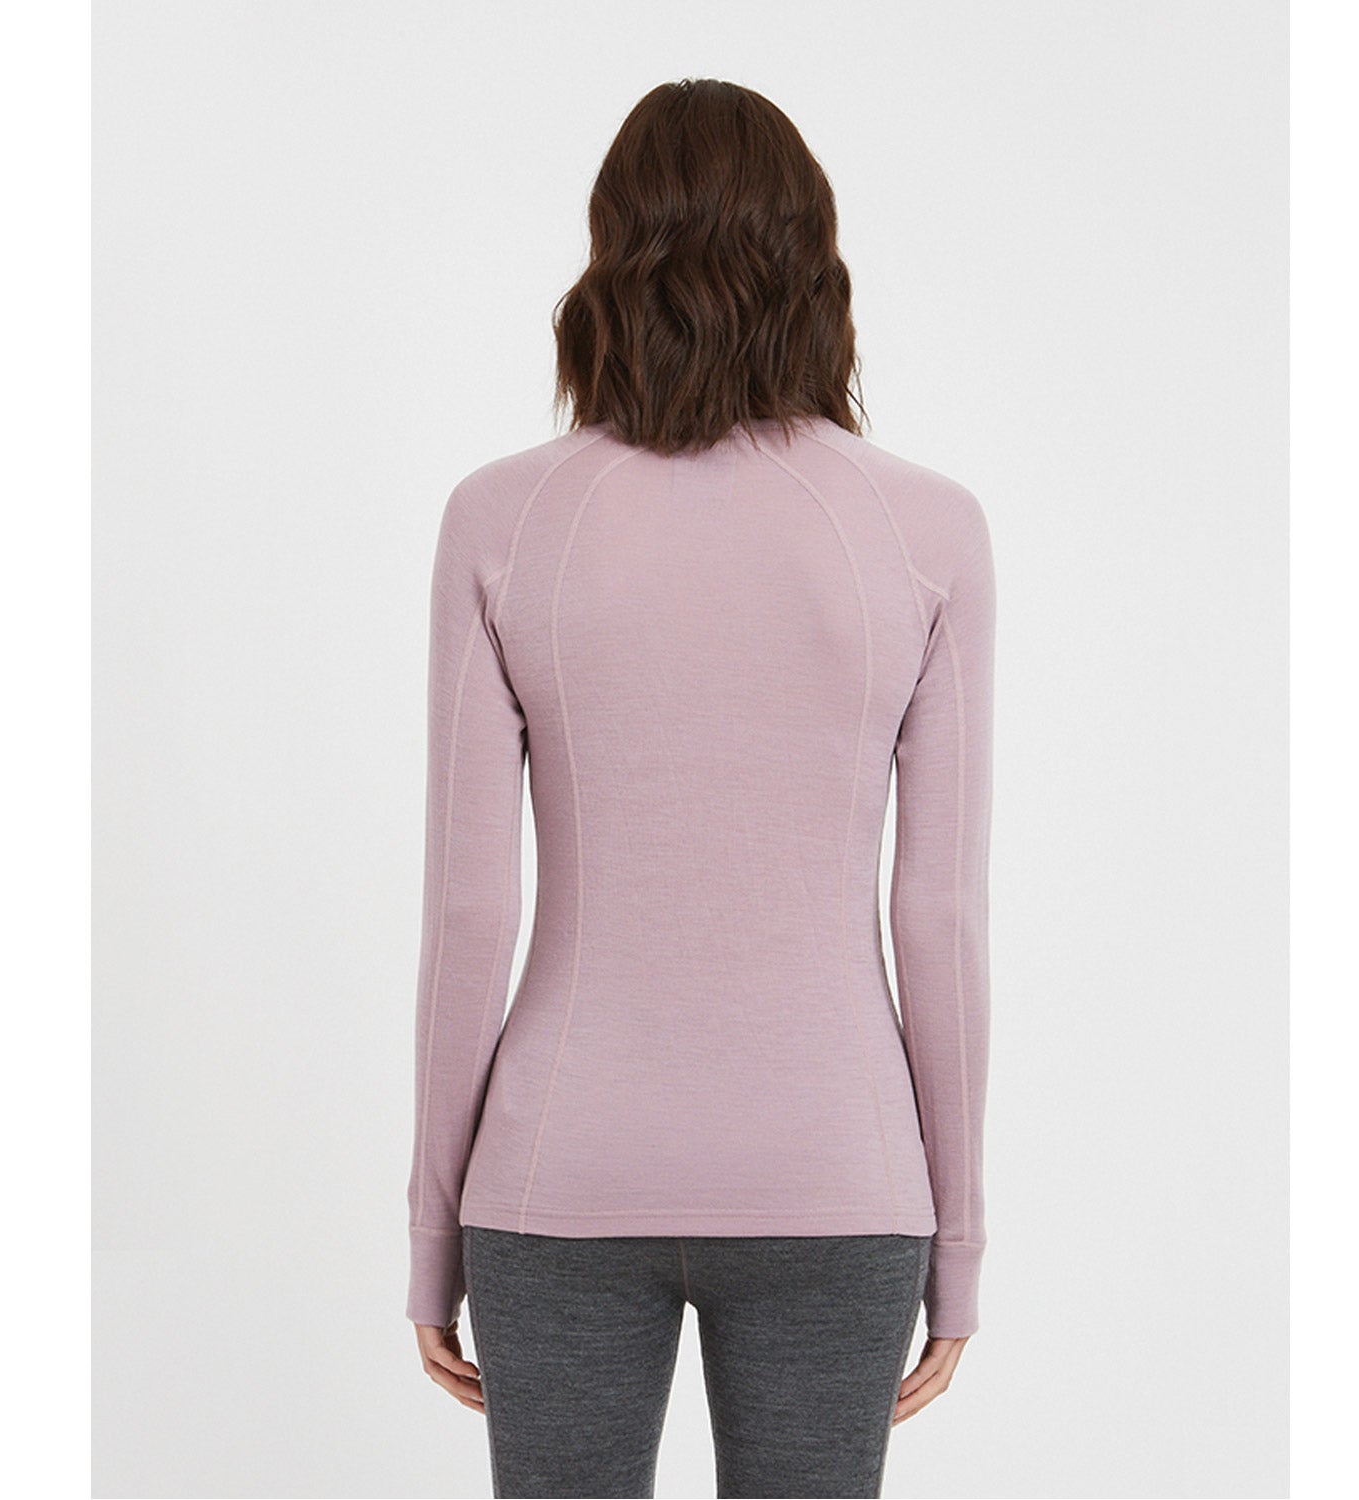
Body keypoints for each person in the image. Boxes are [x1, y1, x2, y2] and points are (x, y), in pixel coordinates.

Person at [406, 76, 996, 1500]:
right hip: (837, 1175)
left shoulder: (500, 519)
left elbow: (469, 915)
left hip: (557, 1175)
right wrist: (960, 1244)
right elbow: (939, 920)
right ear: (814, 263)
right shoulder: (929, 531)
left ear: (610, 259)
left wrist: (430, 1236)